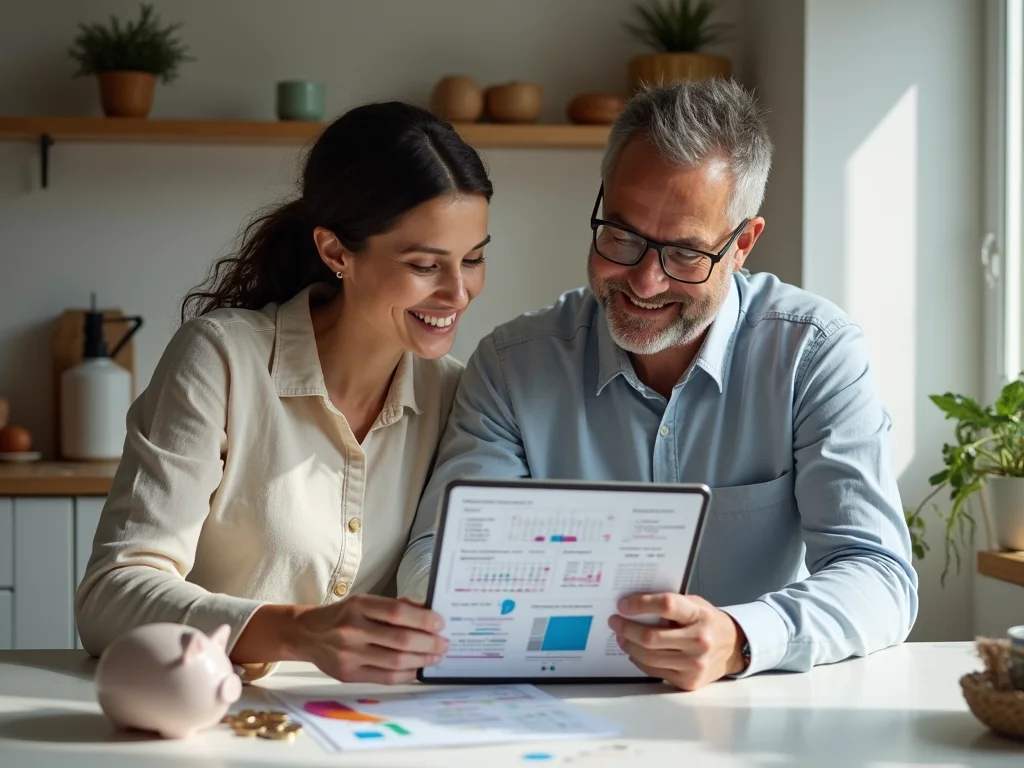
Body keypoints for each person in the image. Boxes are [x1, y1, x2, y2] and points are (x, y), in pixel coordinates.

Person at [410, 79, 919, 691]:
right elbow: (436, 559)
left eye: (683, 253)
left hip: (757, 708)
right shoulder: (512, 367)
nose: (645, 282)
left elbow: (879, 575)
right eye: (622, 236)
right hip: (554, 702)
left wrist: (740, 636)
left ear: (742, 245)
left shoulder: (814, 354)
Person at [75, 101, 493, 685]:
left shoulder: (457, 393)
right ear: (336, 252)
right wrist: (297, 632)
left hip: (368, 722)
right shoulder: (222, 358)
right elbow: (109, 597)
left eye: (473, 259)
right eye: (425, 265)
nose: (458, 292)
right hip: (215, 716)